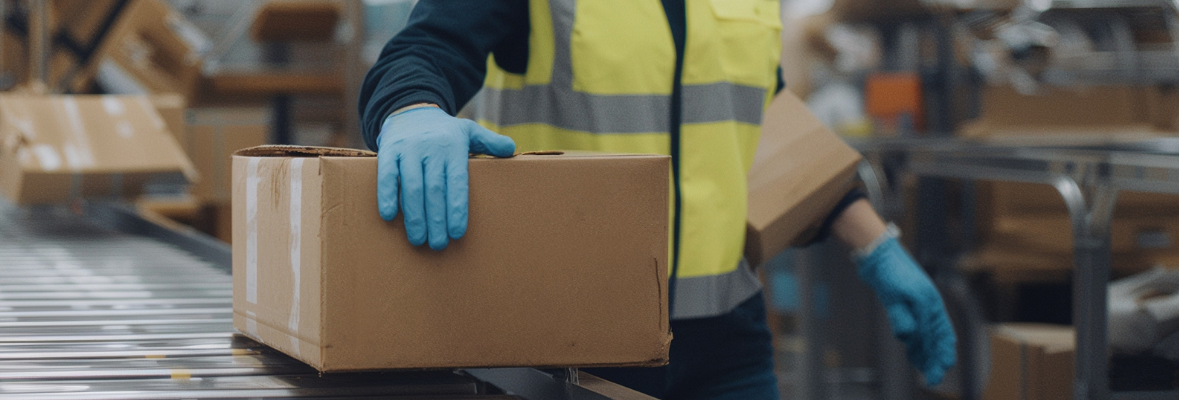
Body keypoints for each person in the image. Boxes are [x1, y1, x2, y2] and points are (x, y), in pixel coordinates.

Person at [358, 1, 955, 398]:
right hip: (567, 344)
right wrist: (412, 110)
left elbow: (756, 115)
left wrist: (875, 243)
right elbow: (427, 48)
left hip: (729, 340)